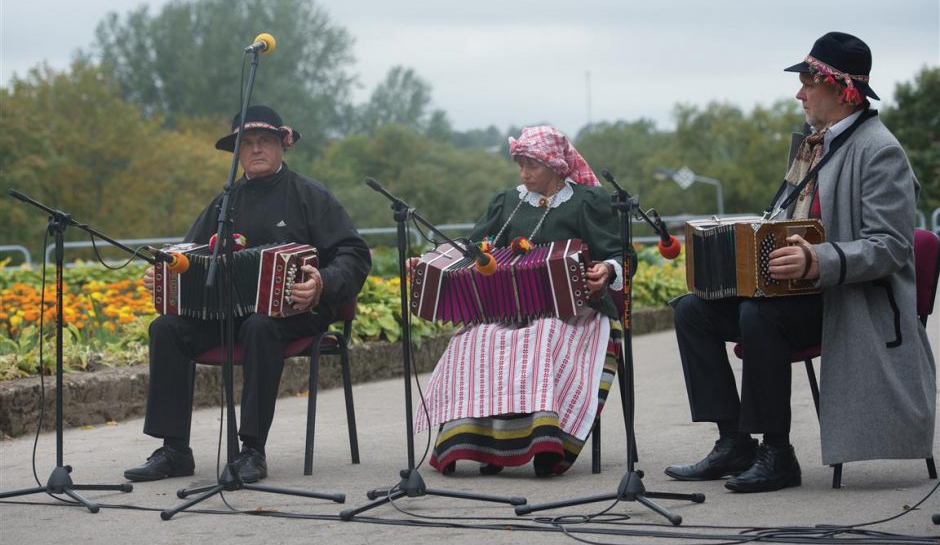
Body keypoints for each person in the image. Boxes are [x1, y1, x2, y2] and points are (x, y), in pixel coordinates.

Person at [665, 32, 936, 493]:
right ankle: (734, 442)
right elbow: (789, 220)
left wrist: (817, 260)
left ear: (842, 88)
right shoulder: (815, 145)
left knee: (760, 316)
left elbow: (891, 246)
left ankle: (777, 454)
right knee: (691, 310)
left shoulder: (880, 150)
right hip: (804, 295)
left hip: (850, 301)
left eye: (808, 81)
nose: (799, 92)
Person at [124, 105, 371, 483]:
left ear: (282, 146)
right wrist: (164, 274)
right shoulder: (224, 203)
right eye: (248, 143)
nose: (256, 149)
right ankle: (175, 450)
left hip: (299, 310)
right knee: (166, 328)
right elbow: (189, 256)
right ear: (237, 153)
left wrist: (320, 283)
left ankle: (252, 450)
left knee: (259, 325)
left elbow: (354, 254)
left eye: (265, 142)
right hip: (227, 314)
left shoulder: (309, 195)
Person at [411, 125, 627, 477]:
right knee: (474, 339)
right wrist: (428, 261)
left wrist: (606, 268)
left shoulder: (588, 202)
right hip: (508, 310)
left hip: (575, 313)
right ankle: (483, 445)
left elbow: (620, 252)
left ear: (556, 166)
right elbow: (475, 249)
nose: (524, 173)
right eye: (520, 165)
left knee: (541, 337)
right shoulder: (507, 202)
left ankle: (546, 444)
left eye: (532, 166)